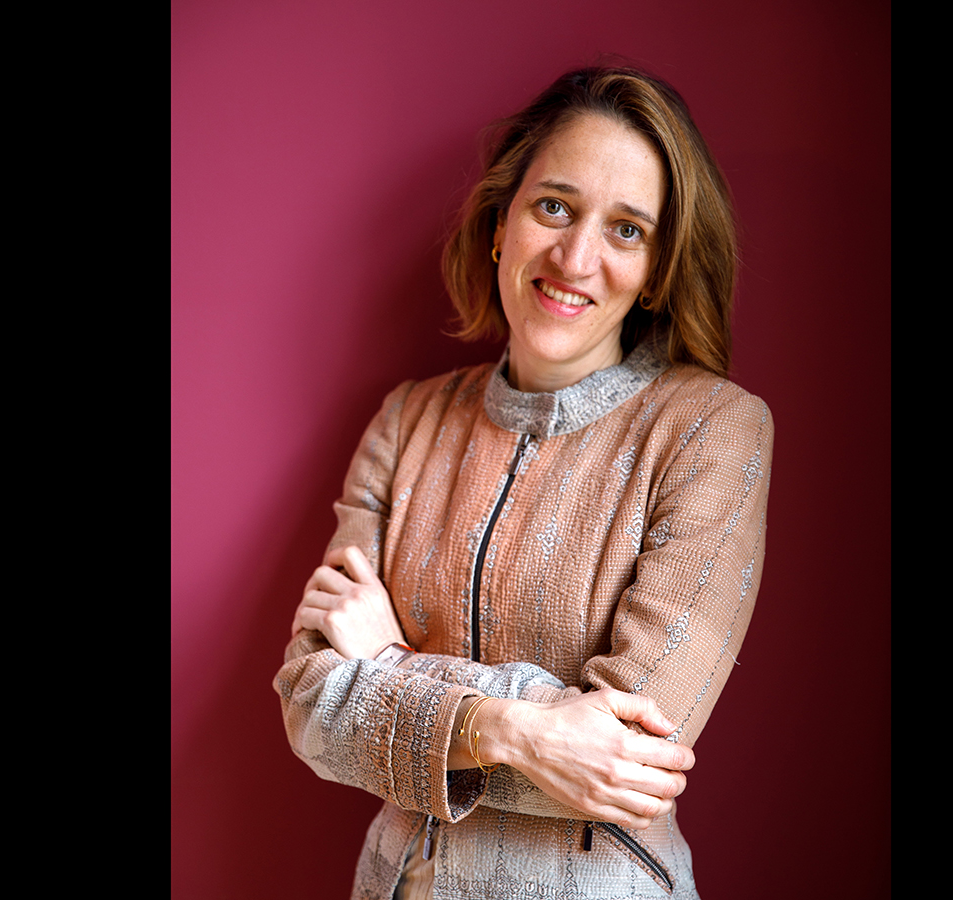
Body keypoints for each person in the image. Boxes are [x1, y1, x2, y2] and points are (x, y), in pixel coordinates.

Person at [276, 65, 771, 900]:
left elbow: (631, 758)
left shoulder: (714, 429)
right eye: (554, 206)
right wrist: (518, 728)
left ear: (656, 269)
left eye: (626, 230)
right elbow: (311, 705)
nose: (576, 256)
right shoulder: (407, 418)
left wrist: (390, 663)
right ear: (501, 223)